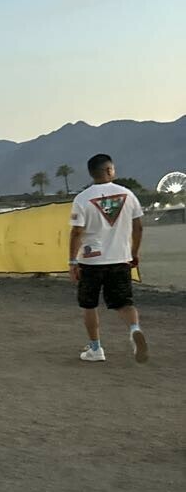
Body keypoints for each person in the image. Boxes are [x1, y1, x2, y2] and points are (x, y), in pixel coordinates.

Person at [70, 153, 149, 364]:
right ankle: (134, 330)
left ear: (91, 173)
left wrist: (72, 261)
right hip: (120, 259)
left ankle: (96, 349)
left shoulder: (82, 198)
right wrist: (134, 252)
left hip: (91, 262)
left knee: (89, 305)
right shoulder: (128, 195)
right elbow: (139, 227)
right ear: (109, 170)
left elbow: (76, 232)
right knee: (124, 303)